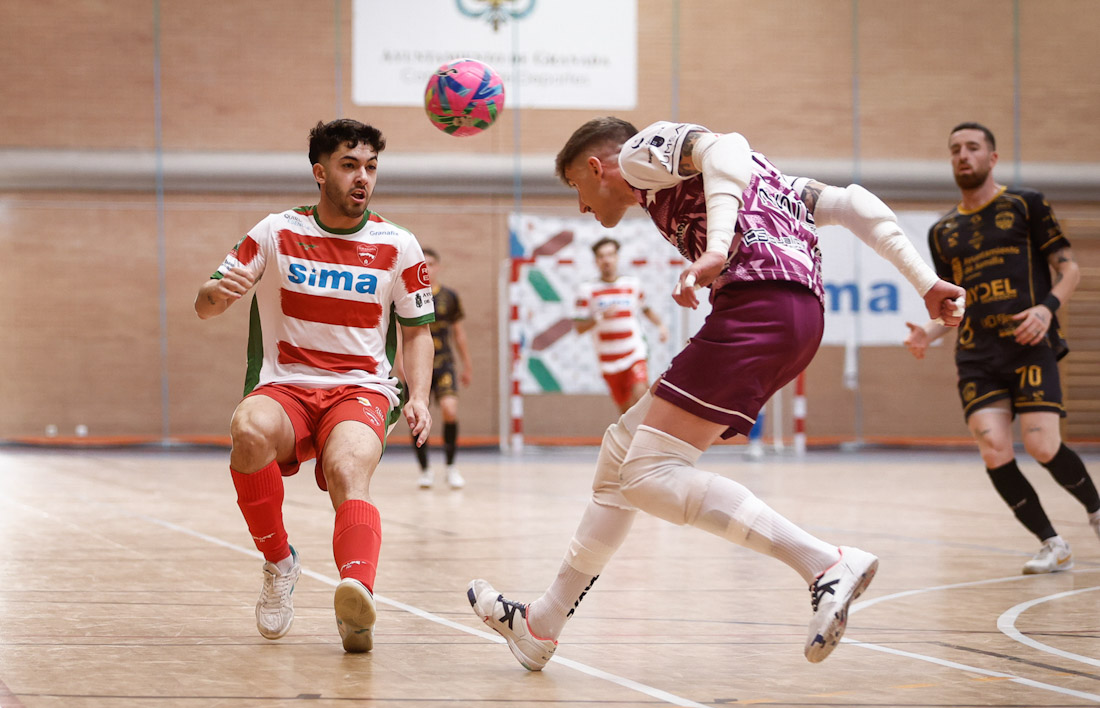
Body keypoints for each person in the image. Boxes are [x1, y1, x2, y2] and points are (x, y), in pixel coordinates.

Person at [468, 117, 966, 670]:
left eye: (575, 188)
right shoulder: (769, 179)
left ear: (594, 167)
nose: (582, 206)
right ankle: (541, 624)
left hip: (759, 308)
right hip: (797, 317)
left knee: (647, 474)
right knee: (619, 457)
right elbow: (852, 203)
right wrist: (925, 282)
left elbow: (725, 145)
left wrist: (717, 249)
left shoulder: (636, 156)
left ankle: (825, 563)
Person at [194, 119, 435, 653]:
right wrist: (219, 293)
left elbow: (418, 332)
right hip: (286, 385)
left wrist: (418, 396)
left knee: (348, 468)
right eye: (350, 166)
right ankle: (279, 562)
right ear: (320, 173)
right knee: (248, 430)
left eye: (371, 167)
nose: (363, 178)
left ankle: (357, 598)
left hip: (361, 389)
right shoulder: (275, 231)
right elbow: (204, 306)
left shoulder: (398, 244)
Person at [905, 122, 1100, 574]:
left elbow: (1070, 270)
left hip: (1029, 344)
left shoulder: (1025, 204)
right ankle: (1052, 544)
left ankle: (1095, 510)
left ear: (992, 158)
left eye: (973, 147)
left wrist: (1047, 310)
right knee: (993, 447)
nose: (963, 155)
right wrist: (928, 333)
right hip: (977, 354)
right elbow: (954, 305)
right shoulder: (942, 231)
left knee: (1042, 444)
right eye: (955, 148)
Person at [574, 236, 669, 413]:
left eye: (610, 255)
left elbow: (646, 309)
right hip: (608, 361)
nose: (607, 260)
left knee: (641, 399)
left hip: (634, 353)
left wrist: (661, 326)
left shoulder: (632, 285)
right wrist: (599, 317)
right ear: (596, 261)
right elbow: (579, 327)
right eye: (602, 256)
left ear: (617, 257)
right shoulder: (587, 290)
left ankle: (649, 431)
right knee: (626, 412)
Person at [412, 247, 473, 489]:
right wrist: (402, 366)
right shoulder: (411, 295)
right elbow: (402, 332)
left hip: (444, 362)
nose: (427, 269)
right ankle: (425, 470)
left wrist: (467, 365)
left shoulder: (450, 296)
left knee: (450, 409)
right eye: (423, 264)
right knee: (418, 416)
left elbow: (459, 333)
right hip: (418, 365)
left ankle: (450, 467)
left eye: (431, 264)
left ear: (438, 267)